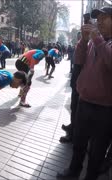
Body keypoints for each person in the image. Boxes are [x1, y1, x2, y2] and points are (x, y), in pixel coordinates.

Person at [57, 7, 112, 180]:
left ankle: (90, 177)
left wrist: (96, 40)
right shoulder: (95, 42)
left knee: (97, 149)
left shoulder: (102, 42)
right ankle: (73, 172)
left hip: (105, 108)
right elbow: (78, 60)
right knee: (79, 143)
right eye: (98, 18)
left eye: (105, 18)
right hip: (84, 101)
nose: (100, 21)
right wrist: (83, 40)